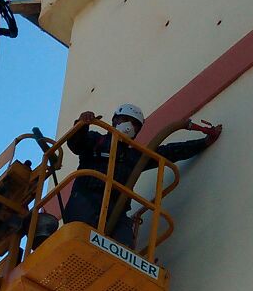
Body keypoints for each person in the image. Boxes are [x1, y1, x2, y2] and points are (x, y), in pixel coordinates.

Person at [65, 104, 222, 246]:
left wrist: (203, 142)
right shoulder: (96, 140)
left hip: (116, 210)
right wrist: (81, 123)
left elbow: (169, 152)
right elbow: (76, 143)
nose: (129, 126)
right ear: (114, 121)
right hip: (86, 200)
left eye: (135, 124)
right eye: (125, 119)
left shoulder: (135, 156)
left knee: (124, 246)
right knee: (80, 240)